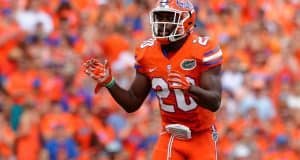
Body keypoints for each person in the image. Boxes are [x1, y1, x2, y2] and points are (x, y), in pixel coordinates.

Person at [83, 0, 223, 159]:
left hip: (202, 136)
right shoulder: (147, 52)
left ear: (187, 20)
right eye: (160, 17)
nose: (162, 22)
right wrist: (109, 82)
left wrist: (190, 89)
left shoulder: (203, 48)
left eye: (168, 18)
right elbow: (132, 103)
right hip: (170, 135)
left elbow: (215, 102)